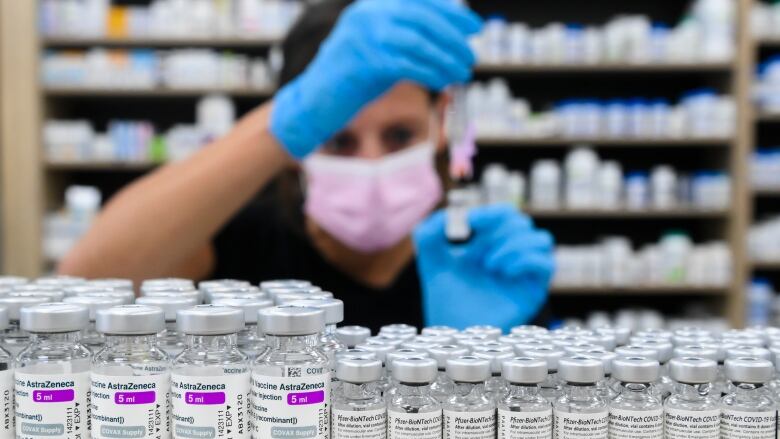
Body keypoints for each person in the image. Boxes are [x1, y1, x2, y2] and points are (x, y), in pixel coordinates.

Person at [58, 0, 554, 332]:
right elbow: (82, 283)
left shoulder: (488, 267)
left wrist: (477, 365)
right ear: (298, 134)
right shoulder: (241, 242)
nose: (373, 166)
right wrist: (282, 123)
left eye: (400, 135)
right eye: (337, 138)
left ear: (441, 122)